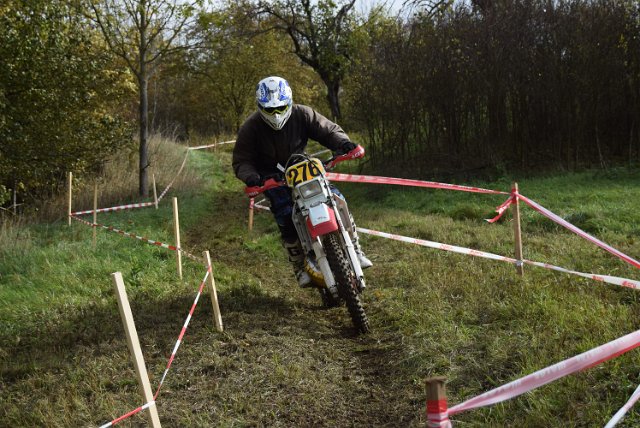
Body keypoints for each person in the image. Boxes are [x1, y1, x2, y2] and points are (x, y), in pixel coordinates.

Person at [232, 76, 372, 287]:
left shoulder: (302, 114)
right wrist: (252, 177)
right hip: (271, 177)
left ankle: (355, 247)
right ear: (260, 107)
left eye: (280, 108)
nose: (276, 114)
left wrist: (343, 144)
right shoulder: (251, 127)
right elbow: (242, 160)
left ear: (289, 102)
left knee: (335, 198)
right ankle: (298, 265)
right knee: (284, 214)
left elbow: (327, 130)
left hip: (302, 166)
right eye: (270, 110)